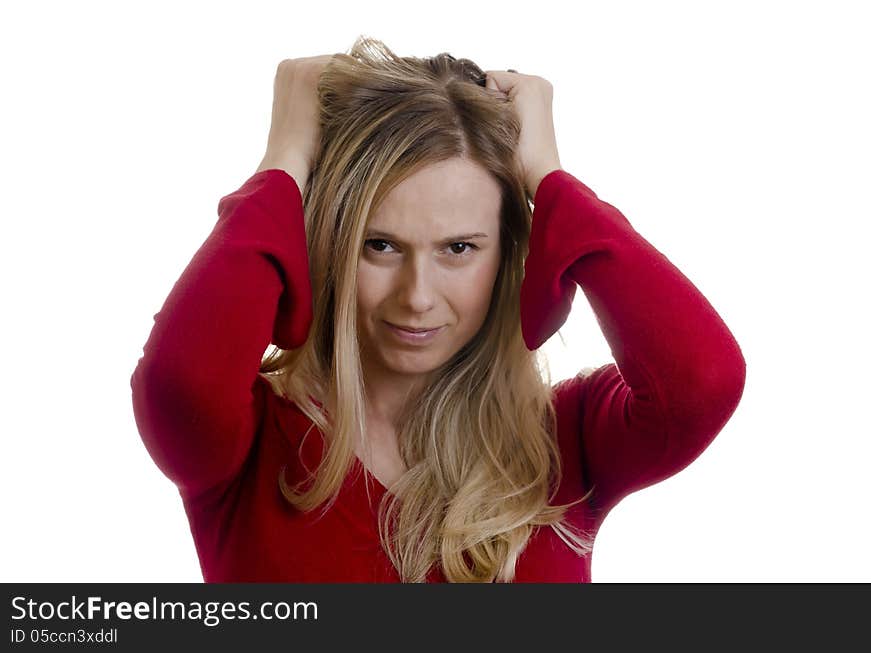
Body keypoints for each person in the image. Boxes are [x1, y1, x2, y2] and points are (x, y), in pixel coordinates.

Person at [130, 36, 746, 583]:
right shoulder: (244, 441)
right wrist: (284, 161)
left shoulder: (564, 441)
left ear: (509, 255)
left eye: (458, 248)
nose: (417, 296)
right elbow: (181, 382)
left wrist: (550, 178)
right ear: (326, 246)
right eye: (380, 245)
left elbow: (703, 382)